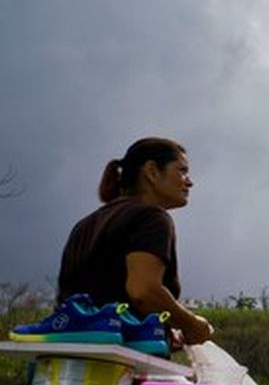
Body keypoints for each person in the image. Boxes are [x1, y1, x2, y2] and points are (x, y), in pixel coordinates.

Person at [56, 137, 214, 346]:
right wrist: (192, 325)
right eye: (182, 171)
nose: (189, 181)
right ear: (152, 172)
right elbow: (143, 292)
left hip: (66, 355)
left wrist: (162, 331)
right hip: (118, 360)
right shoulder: (152, 218)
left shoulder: (85, 225)